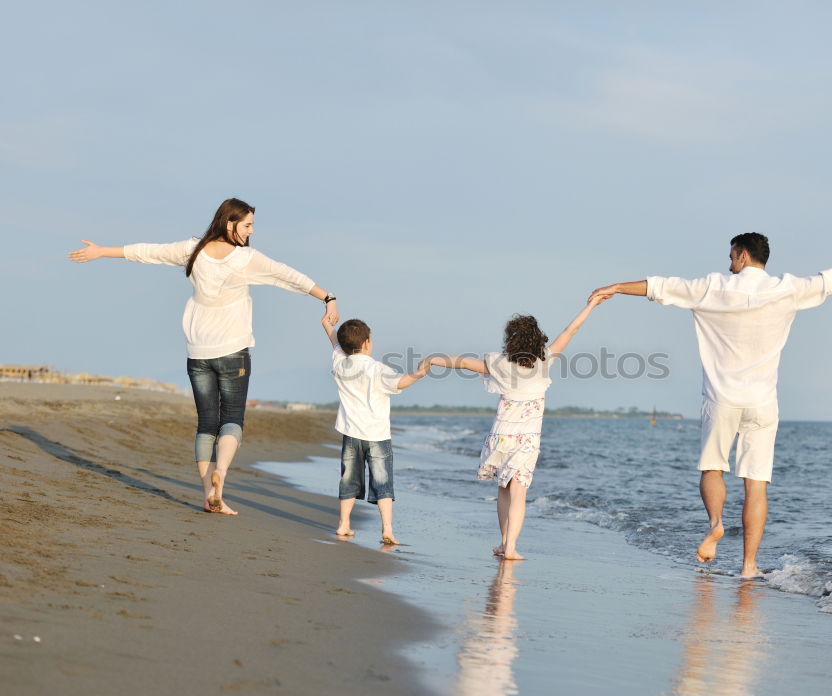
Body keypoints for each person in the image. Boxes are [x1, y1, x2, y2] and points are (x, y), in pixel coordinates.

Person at [591, 234, 832, 577]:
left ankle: (715, 525)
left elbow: (660, 286)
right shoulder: (786, 288)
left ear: (742, 256)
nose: (728, 264)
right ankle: (748, 566)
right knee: (755, 484)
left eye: (731, 257)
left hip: (721, 399)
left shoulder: (712, 288)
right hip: (762, 402)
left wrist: (617, 287)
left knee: (712, 468)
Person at [69, 198, 340, 516]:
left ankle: (208, 494)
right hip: (233, 351)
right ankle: (221, 477)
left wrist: (102, 251)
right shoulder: (246, 258)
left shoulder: (192, 249)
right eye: (248, 225)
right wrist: (328, 297)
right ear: (230, 223)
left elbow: (147, 252)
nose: (252, 231)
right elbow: (288, 275)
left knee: (206, 423)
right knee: (232, 420)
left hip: (197, 353)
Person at [428, 294, 609, 560]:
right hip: (526, 439)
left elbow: (464, 363)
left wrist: (433, 360)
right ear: (537, 339)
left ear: (510, 339)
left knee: (503, 489)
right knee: (519, 492)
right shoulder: (545, 360)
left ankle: (503, 543)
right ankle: (511, 547)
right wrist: (591, 305)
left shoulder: (500, 363)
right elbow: (571, 330)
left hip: (501, 435)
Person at [322, 316, 431, 544]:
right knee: (383, 482)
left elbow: (335, 342)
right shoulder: (377, 369)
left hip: (351, 433)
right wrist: (419, 374)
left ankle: (343, 524)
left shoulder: (340, 362)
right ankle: (387, 529)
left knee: (348, 479)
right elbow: (400, 382)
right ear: (367, 343)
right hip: (377, 436)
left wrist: (327, 324)